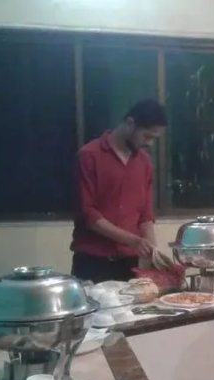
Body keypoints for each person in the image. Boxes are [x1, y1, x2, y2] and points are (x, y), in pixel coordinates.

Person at [70, 99, 167, 283]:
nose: (150, 144)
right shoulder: (89, 155)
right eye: (147, 136)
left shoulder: (145, 163)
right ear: (130, 123)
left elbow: (145, 216)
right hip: (93, 261)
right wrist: (133, 240)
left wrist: (153, 253)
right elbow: (89, 214)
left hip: (129, 262)